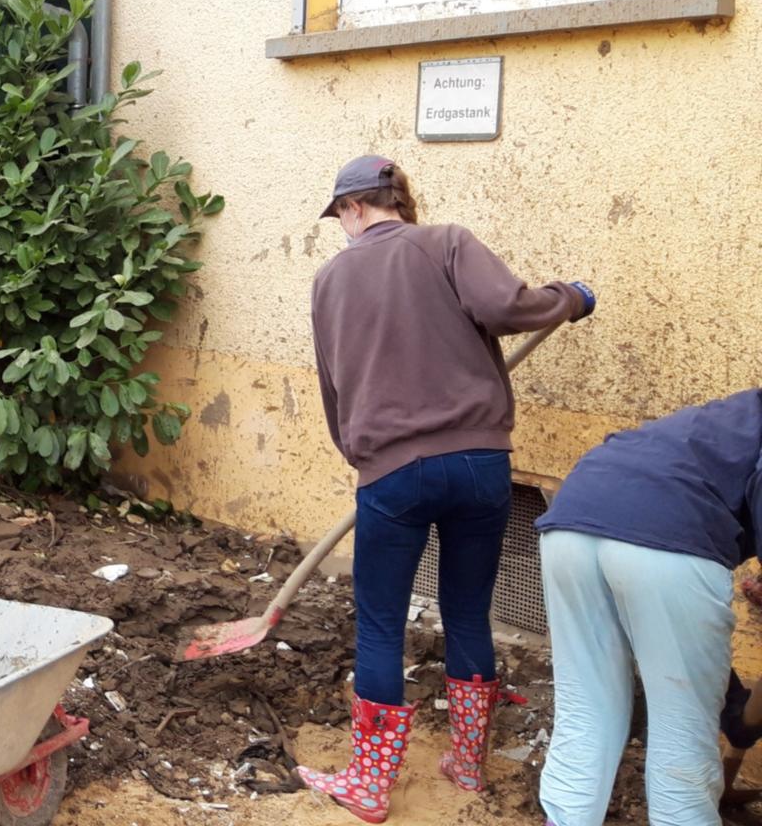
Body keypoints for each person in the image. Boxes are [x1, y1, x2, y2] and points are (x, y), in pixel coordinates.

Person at [296, 155, 590, 823]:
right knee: (466, 611)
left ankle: (370, 785)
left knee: (378, 624)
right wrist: (570, 297)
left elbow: (334, 387)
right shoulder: (448, 242)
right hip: (481, 465)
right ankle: (467, 762)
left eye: (339, 216)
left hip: (392, 474)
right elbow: (509, 307)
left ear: (353, 208)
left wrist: (363, 456)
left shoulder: (330, 281)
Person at [534, 391, 762, 826]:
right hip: (666, 541)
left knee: (585, 708)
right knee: (682, 734)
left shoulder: (725, 419)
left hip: (573, 521)